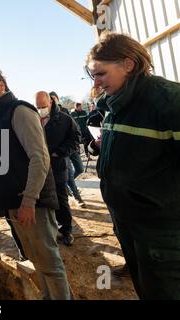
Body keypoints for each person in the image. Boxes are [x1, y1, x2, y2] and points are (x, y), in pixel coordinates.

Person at [85, 32, 180, 299]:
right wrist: (101, 147)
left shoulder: (168, 100)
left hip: (162, 232)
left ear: (128, 64)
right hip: (126, 222)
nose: (96, 82)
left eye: (101, 73)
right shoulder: (114, 104)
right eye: (93, 75)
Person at [0, 71, 71, 300]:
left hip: (30, 202)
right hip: (14, 201)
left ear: (1, 85)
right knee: (36, 258)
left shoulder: (19, 111)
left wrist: (29, 200)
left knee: (49, 261)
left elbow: (40, 158)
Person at [35, 91, 82, 246]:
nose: (41, 109)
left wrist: (59, 152)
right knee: (42, 200)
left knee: (60, 198)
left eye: (43, 106)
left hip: (57, 166)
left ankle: (66, 230)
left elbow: (75, 139)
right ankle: (49, 230)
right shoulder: (33, 118)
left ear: (51, 103)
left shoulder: (65, 119)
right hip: (38, 168)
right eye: (38, 106)